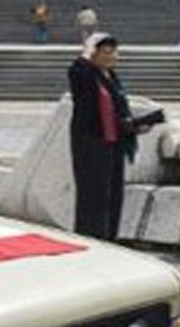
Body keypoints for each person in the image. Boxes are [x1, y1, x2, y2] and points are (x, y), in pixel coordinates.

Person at [67, 33, 162, 240]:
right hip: (91, 144)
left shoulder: (112, 78)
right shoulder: (86, 75)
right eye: (106, 52)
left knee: (112, 195)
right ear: (94, 54)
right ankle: (92, 239)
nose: (112, 56)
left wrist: (136, 126)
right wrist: (85, 54)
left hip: (114, 144)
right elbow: (76, 73)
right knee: (93, 195)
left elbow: (116, 113)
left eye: (114, 52)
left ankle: (109, 239)